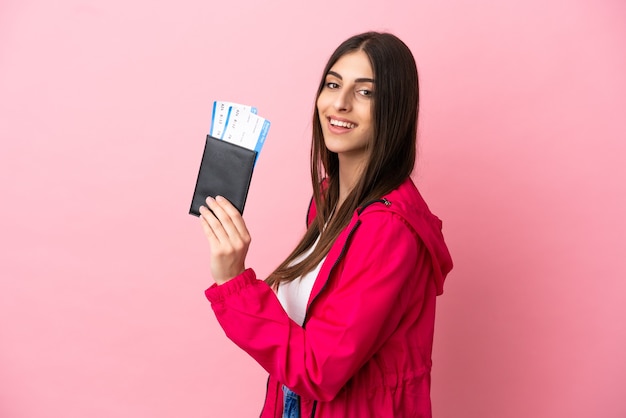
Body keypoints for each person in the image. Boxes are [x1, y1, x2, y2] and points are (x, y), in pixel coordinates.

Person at [198, 31, 453, 418]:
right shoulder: (329, 200)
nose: (340, 103)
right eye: (333, 84)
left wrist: (234, 283)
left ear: (395, 109)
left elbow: (318, 369)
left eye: (366, 92)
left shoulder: (389, 229)